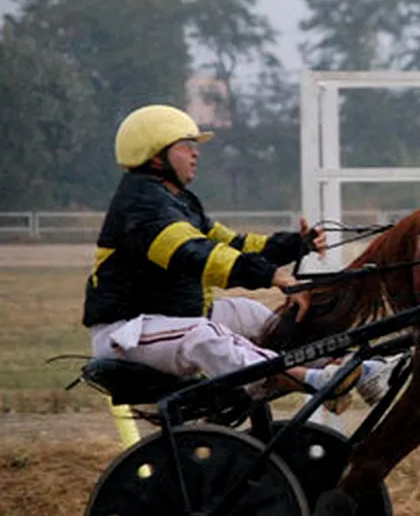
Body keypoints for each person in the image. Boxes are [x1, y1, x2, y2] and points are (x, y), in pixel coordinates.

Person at [83, 104, 396, 408]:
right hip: (126, 336)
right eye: (186, 145)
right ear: (155, 157)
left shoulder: (177, 202)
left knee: (251, 314)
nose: (196, 153)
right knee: (201, 335)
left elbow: (234, 244)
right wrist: (269, 275)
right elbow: (196, 256)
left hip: (166, 321)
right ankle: (313, 379)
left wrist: (296, 245)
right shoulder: (142, 207)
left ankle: (346, 368)